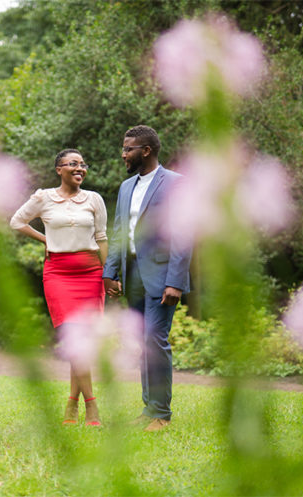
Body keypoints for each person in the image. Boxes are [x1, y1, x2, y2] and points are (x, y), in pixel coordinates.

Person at [102, 125, 192, 433]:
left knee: (155, 340)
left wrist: (176, 282)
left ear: (146, 151)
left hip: (162, 275)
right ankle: (147, 407)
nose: (123, 154)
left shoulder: (176, 184)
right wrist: (109, 273)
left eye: (128, 149)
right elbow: (119, 232)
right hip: (132, 276)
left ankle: (161, 414)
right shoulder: (126, 187)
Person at [10, 149, 109, 426]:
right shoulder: (43, 198)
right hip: (58, 275)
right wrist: (46, 239)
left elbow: (101, 238)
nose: (80, 168)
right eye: (73, 164)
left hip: (91, 273)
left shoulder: (94, 199)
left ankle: (71, 405)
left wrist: (109, 274)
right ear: (59, 169)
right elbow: (16, 222)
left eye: (83, 164)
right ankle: (92, 408)